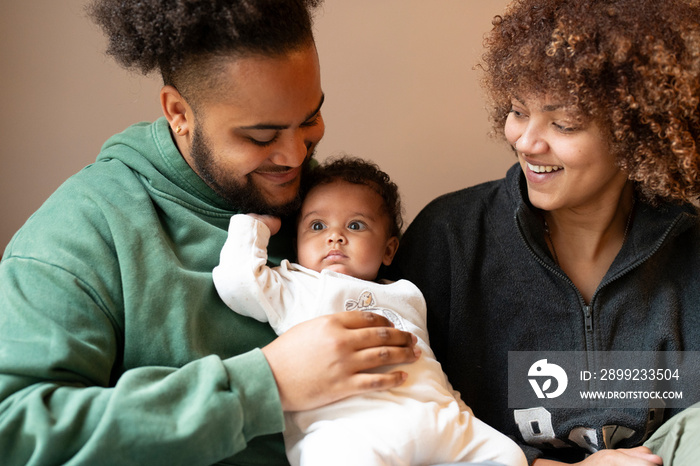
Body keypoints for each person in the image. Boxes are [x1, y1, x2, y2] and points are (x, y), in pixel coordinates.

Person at [0, 1, 422, 464]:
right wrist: (264, 385)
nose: (295, 156)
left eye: (309, 120)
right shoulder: (84, 227)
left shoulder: (326, 201)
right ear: (179, 112)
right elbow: (15, 428)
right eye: (261, 137)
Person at [389, 0, 700, 465]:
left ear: (637, 131)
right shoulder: (450, 238)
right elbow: (391, 416)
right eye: (518, 111)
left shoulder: (691, 252)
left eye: (564, 123)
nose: (526, 141)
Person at [213, 156, 528, 466]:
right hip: (352, 431)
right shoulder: (297, 284)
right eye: (317, 226)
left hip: (435, 417)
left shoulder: (406, 293)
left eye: (355, 225)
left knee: (509, 455)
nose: (334, 236)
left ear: (389, 249)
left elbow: (429, 364)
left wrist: (451, 404)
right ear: (297, 243)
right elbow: (238, 284)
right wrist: (254, 228)